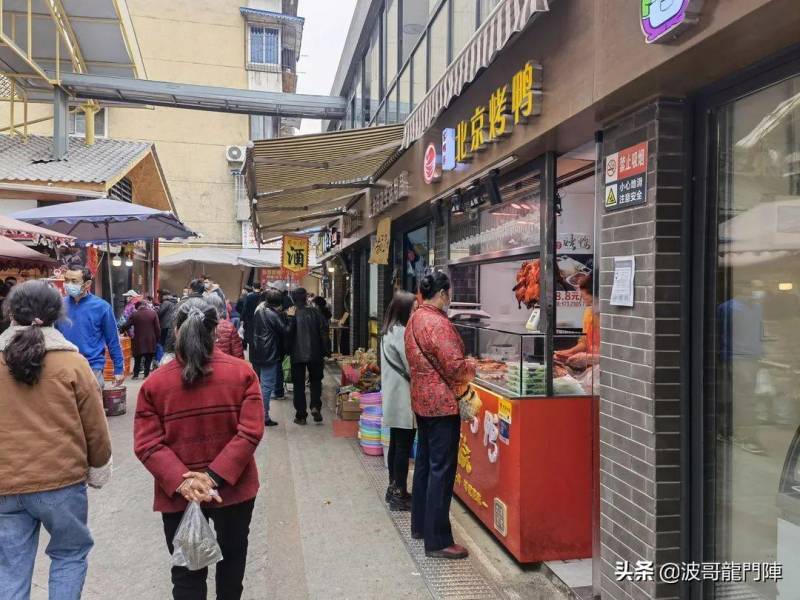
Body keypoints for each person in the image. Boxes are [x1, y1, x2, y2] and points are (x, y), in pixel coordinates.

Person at [134, 299, 264, 600]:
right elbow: (250, 432)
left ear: (176, 330)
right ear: (216, 330)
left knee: (187, 573)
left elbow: (147, 442)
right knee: (232, 565)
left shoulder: (154, 384)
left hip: (180, 493)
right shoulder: (242, 373)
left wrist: (186, 480)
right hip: (234, 489)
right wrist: (213, 476)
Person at [0, 280, 112, 599]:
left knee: (9, 566)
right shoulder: (73, 363)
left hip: (5, 484)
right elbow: (95, 427)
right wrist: (99, 466)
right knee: (69, 554)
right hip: (62, 483)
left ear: (11, 314)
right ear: (56, 315)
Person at [405, 271, 476, 559]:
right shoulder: (438, 323)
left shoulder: (415, 318)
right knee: (441, 471)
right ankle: (438, 541)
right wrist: (473, 365)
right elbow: (456, 368)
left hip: (422, 401)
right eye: (450, 293)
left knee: (424, 464)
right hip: (442, 405)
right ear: (444, 293)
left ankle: (420, 525)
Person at [57, 266, 124, 389]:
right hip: (63, 367)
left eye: (74, 281)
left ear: (87, 284)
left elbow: (112, 340)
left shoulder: (102, 307)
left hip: (92, 367)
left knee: (91, 407)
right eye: (66, 280)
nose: (68, 284)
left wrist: (118, 369)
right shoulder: (58, 305)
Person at [381, 291, 417, 511]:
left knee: (396, 443)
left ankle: (393, 488)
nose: (416, 312)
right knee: (402, 446)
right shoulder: (401, 333)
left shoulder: (388, 330)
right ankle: (399, 494)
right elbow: (411, 365)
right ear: (404, 310)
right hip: (402, 397)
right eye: (413, 309)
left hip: (394, 395)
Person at [286, 287, 329, 425]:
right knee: (316, 381)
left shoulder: (291, 314)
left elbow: (287, 334)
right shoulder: (316, 313)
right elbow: (324, 333)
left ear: (293, 299)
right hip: (316, 354)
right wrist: (326, 351)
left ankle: (301, 415)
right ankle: (315, 406)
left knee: (298, 385)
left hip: (297, 354)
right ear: (306, 298)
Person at [251, 288, 287, 427]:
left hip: (258, 350)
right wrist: (289, 317)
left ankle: (260, 413)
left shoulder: (260, 309)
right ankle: (263, 416)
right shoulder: (271, 313)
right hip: (268, 352)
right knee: (267, 386)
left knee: (263, 384)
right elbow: (285, 330)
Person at [554, 274, 599, 369]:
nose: (591, 308)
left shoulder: (611, 320)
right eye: (587, 303)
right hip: (590, 368)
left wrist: (587, 358)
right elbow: (584, 342)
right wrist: (569, 352)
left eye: (591, 302)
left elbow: (615, 356)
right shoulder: (588, 312)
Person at [121, 300, 161, 380]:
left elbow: (126, 325)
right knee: (148, 358)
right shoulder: (153, 313)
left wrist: (121, 330)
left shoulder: (135, 314)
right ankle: (146, 375)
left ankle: (135, 375)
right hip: (150, 339)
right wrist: (157, 338)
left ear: (137, 307)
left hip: (138, 340)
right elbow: (157, 328)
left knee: (137, 358)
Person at [206, 292, 245, 360]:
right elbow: (238, 353)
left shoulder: (199, 325)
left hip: (205, 366)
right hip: (225, 364)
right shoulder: (229, 327)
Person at [241, 282, 262, 354]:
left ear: (253, 287)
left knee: (248, 334)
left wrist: (242, 318)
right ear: (260, 287)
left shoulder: (249, 296)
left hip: (249, 319)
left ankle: (247, 348)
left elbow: (245, 308)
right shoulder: (262, 296)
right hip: (259, 319)